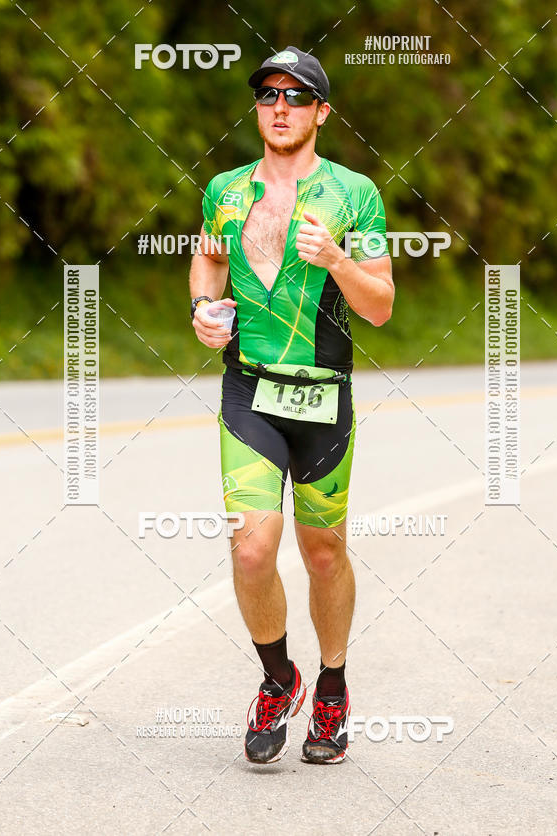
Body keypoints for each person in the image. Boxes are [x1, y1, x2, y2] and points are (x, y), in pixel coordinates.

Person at [189, 46, 394, 764]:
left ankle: (333, 685)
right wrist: (203, 307)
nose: (281, 108)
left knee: (323, 552)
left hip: (323, 395)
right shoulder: (225, 190)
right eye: (269, 95)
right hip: (248, 388)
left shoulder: (355, 194)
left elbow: (381, 306)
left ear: (322, 112)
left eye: (297, 96)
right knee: (251, 548)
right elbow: (210, 258)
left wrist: (337, 258)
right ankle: (279, 678)